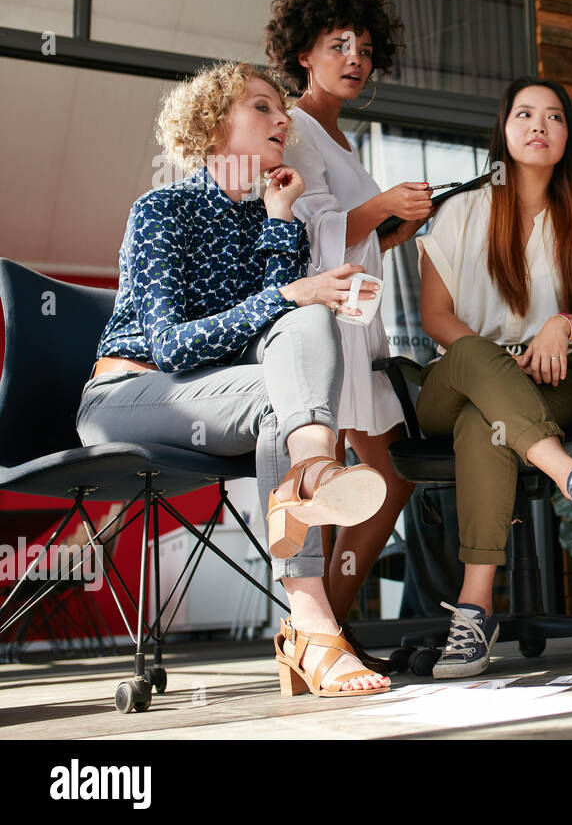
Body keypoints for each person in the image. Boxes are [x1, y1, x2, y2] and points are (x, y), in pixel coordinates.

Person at [77, 62, 391, 697]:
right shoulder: (162, 208)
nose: (283, 120)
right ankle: (316, 514)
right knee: (293, 324)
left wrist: (280, 219)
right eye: (261, 108)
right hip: (132, 396)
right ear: (211, 124)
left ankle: (309, 540)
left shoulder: (275, 217)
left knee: (299, 352)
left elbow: (282, 337)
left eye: (282, 110)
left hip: (234, 400)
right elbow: (171, 348)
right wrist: (287, 293)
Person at [413, 76, 572, 678]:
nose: (539, 127)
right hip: (456, 375)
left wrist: (566, 324)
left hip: (555, 382)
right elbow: (435, 318)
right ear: (503, 130)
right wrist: (495, 363)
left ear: (568, 137)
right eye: (525, 115)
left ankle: (475, 611)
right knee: (478, 365)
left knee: (489, 422)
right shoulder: (462, 211)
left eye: (555, 117)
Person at [265, 0, 433, 671]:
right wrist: (383, 205)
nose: (355, 58)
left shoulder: (342, 134)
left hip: (360, 323)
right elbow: (307, 234)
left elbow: (357, 241)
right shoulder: (296, 127)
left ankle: (322, 626)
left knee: (390, 476)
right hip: (321, 325)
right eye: (338, 45)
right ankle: (318, 630)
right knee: (346, 474)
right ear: (304, 51)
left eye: (364, 48)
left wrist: (399, 225)